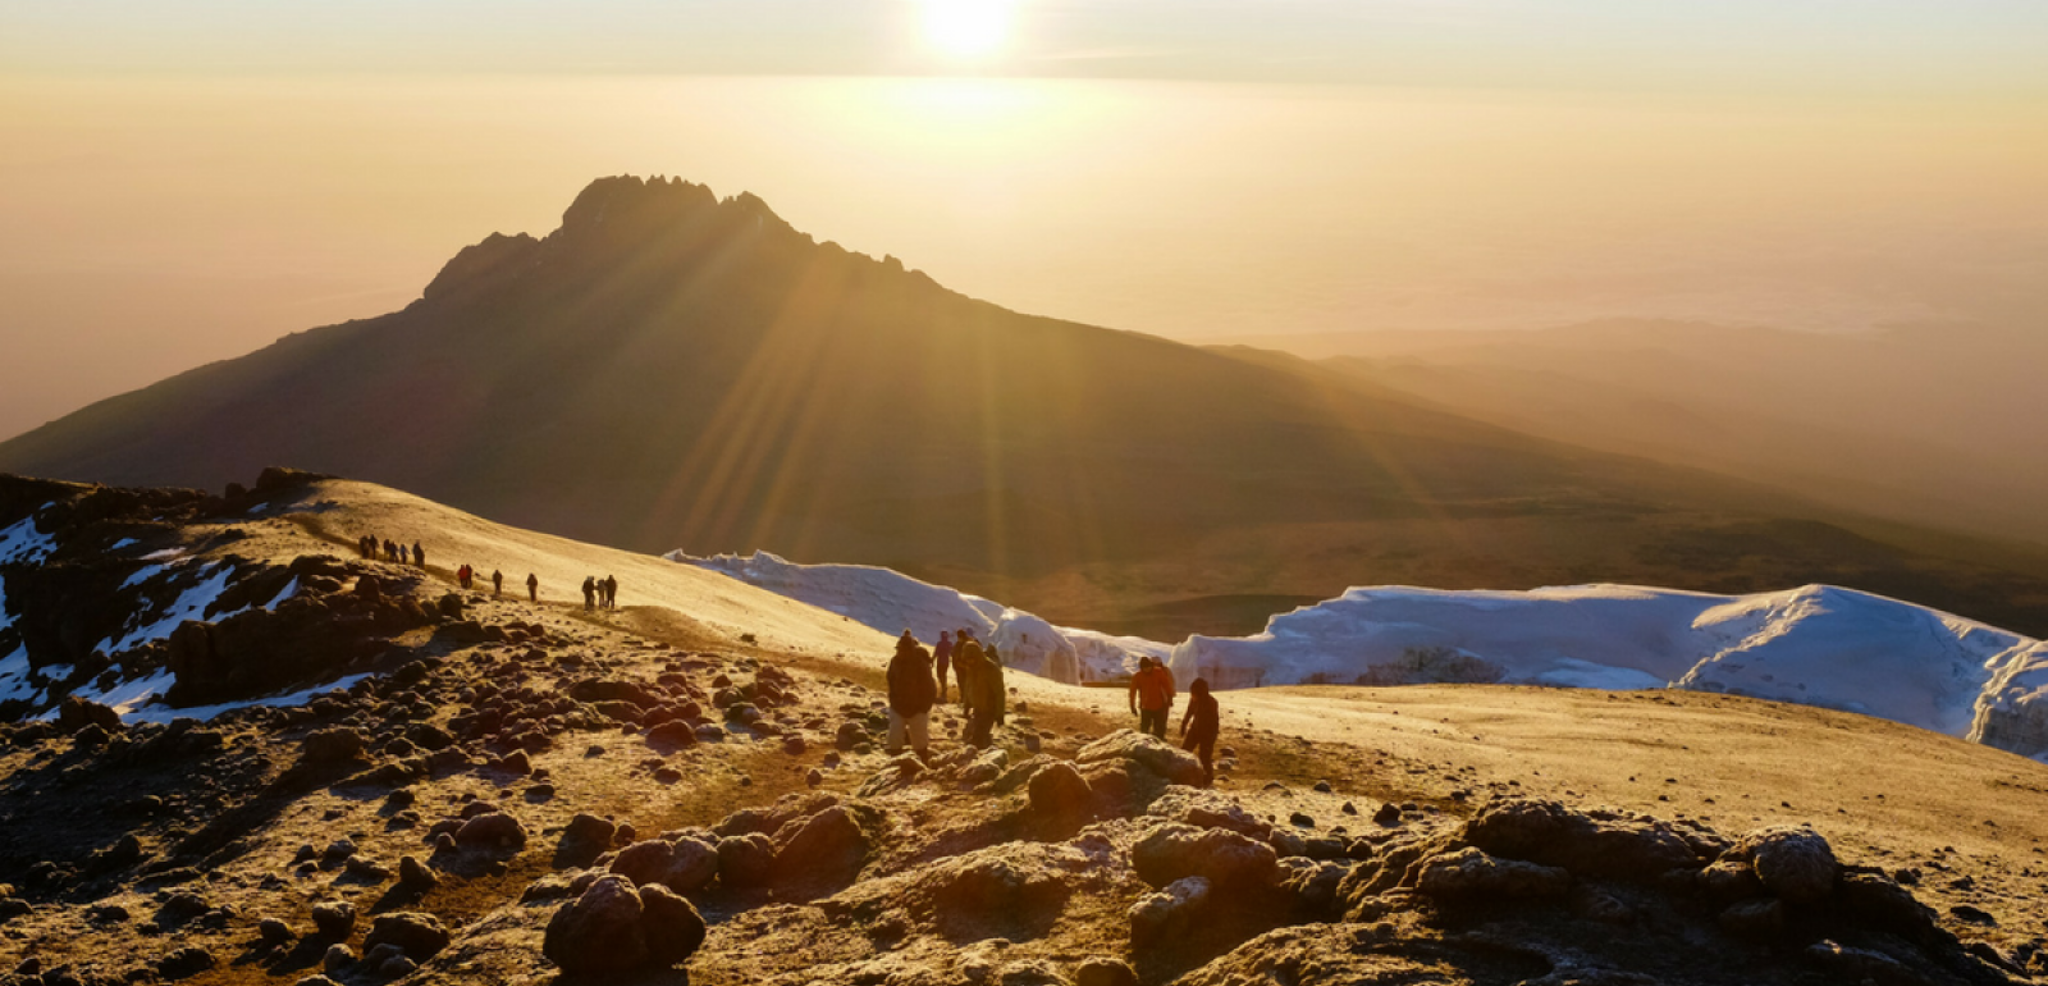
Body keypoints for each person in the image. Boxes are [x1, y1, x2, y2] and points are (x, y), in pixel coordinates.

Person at [885, 630, 937, 759]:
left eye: (902, 649)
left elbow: (929, 686)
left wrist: (924, 707)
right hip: (898, 706)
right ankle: (895, 762)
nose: (900, 652)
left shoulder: (920, 664)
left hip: (917, 708)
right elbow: (890, 680)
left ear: (909, 650)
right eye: (899, 649)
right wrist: (893, 700)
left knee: (919, 739)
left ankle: (922, 764)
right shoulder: (895, 662)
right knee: (894, 736)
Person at [960, 637, 1006, 749]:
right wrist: (966, 706)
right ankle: (986, 753)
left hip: (989, 709)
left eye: (971, 659)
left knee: (978, 737)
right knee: (980, 736)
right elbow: (969, 688)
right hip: (978, 708)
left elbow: (1000, 693)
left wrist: (1000, 714)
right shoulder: (972, 669)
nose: (969, 662)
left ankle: (982, 760)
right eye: (967, 659)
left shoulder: (991, 669)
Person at [1179, 677, 1220, 787]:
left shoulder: (1211, 703)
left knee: (1204, 757)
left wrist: (1209, 738)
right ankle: (1181, 774)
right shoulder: (1194, 699)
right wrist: (1184, 724)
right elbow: (1189, 712)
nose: (1192, 696)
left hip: (1208, 733)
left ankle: (1207, 780)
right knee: (1184, 751)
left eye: (1194, 693)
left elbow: (1213, 723)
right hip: (1195, 729)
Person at [1129, 656, 1176, 740]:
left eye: (1149, 667)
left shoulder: (1158, 672)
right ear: (1141, 668)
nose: (1147, 669)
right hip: (1145, 707)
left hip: (1159, 706)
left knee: (1160, 730)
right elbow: (1132, 692)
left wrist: (1170, 696)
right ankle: (1144, 748)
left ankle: (1160, 746)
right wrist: (1132, 706)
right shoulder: (1137, 676)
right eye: (1145, 668)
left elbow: (1167, 685)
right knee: (1144, 731)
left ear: (1151, 666)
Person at [953, 628, 982, 712]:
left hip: (966, 669)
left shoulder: (967, 644)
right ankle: (966, 703)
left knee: (967, 686)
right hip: (963, 669)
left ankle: (967, 704)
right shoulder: (970, 642)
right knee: (966, 686)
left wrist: (964, 665)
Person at [932, 630, 953, 703]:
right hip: (946, 662)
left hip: (941, 661)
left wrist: (932, 660)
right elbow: (952, 653)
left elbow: (936, 652)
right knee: (943, 674)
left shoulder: (940, 643)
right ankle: (944, 688)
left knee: (940, 675)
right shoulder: (949, 644)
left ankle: (944, 688)